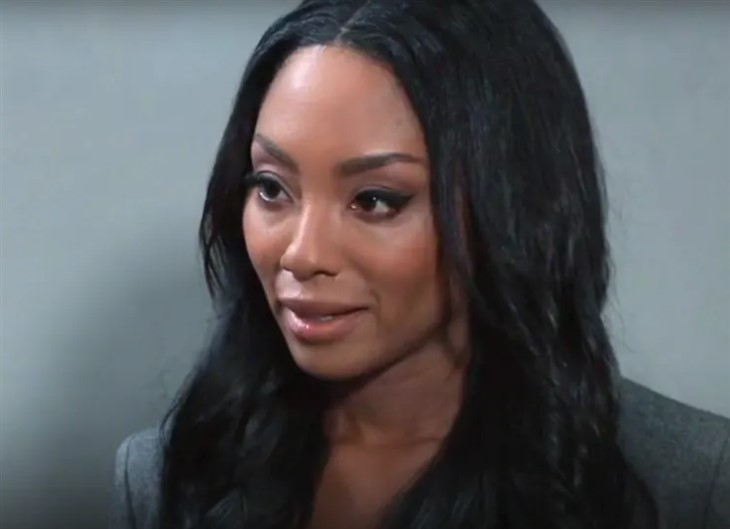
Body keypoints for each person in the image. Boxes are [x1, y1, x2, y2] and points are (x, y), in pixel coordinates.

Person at [109, 1, 730, 528]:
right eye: (272, 188)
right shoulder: (167, 479)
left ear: (507, 206)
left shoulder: (688, 483)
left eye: (375, 200)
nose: (301, 253)